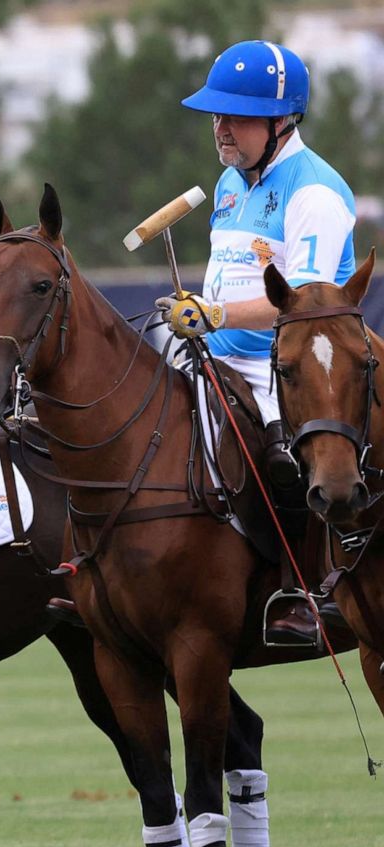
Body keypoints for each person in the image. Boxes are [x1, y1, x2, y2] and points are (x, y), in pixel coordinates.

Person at [158, 40, 356, 644]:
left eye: (235, 116)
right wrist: (202, 312)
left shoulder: (315, 193)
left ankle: (302, 590)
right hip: (218, 354)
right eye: (215, 115)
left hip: (292, 362)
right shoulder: (228, 181)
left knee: (280, 459)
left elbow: (305, 306)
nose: (220, 128)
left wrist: (213, 313)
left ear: (282, 120)